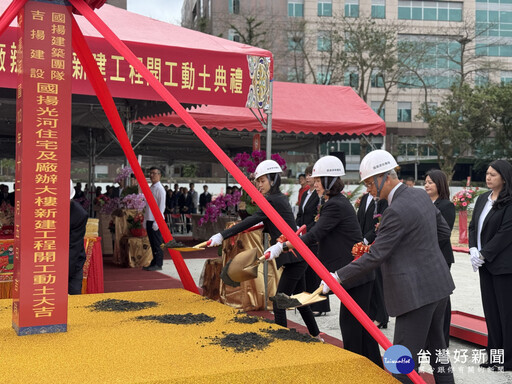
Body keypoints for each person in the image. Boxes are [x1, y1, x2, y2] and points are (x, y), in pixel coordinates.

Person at [323, 150, 455, 383]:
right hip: (438, 286)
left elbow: (376, 255)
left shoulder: (395, 210)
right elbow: (443, 232)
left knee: (401, 363)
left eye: (369, 183)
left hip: (415, 295)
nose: (368, 189)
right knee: (438, 354)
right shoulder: (419, 195)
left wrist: (337, 277)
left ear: (384, 177)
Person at [265, 156, 382, 368]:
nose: (314, 184)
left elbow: (313, 235)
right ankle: (372, 370)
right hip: (354, 274)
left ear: (329, 181)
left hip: (354, 275)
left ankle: (358, 371)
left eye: (318, 180)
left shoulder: (335, 205)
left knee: (352, 329)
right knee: (360, 329)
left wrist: (282, 246)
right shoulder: (334, 202)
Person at [206, 160, 323, 340]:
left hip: (294, 257)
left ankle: (280, 339)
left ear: (273, 180)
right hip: (295, 256)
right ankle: (316, 335)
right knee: (299, 300)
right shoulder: (278, 199)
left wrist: (223, 235)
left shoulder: (273, 200)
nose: (259, 185)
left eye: (262, 181)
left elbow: (253, 219)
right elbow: (263, 222)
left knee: (279, 301)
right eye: (258, 181)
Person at [468, 160, 512, 371]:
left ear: (504, 177)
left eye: (493, 174)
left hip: (504, 266)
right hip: (484, 265)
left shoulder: (510, 202)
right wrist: (472, 249)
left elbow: (505, 233)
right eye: (487, 173)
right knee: (491, 312)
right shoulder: (483, 198)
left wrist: (484, 254)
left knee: (506, 313)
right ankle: (494, 355)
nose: (488, 177)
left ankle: (509, 360)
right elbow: (473, 226)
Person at [424, 169, 455, 347]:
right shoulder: (425, 203)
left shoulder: (446, 206)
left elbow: (444, 234)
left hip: (441, 257)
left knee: (442, 296)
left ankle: (442, 337)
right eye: (426, 182)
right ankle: (429, 336)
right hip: (425, 257)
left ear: (440, 184)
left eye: (430, 182)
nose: (427, 185)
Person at [295, 165, 329, 317]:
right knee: (307, 271)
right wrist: (296, 227)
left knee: (316, 271)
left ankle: (320, 305)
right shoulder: (305, 194)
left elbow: (318, 217)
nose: (308, 178)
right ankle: (309, 300)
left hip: (312, 235)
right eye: (307, 175)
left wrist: (307, 230)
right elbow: (301, 213)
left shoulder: (318, 195)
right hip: (303, 234)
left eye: (311, 175)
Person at [357, 191, 389, 330]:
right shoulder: (365, 198)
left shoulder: (382, 200)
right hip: (363, 245)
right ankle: (370, 313)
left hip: (375, 243)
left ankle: (382, 316)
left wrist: (366, 239)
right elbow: (359, 219)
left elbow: (380, 222)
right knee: (368, 280)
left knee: (378, 281)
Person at [143, 167, 166, 271]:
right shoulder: (151, 187)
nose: (151, 175)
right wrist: (145, 219)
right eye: (150, 173)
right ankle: (154, 261)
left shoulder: (160, 189)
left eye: (154, 173)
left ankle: (159, 263)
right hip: (149, 218)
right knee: (152, 243)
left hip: (155, 220)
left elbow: (162, 207)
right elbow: (148, 205)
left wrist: (157, 221)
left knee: (157, 243)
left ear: (159, 175)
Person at [69, 180, 88, 295]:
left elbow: (73, 247)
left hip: (72, 264)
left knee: (73, 299)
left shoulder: (79, 214)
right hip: (46, 263)